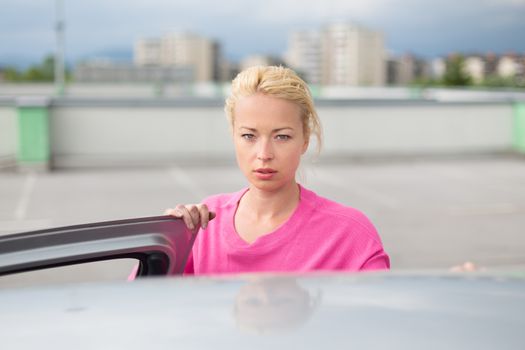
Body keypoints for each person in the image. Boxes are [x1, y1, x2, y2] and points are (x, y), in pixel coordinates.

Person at [165, 66, 390, 275]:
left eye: (282, 136)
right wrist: (164, 244)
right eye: (248, 136)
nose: (264, 153)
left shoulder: (351, 235)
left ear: (304, 140)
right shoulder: (202, 226)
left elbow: (377, 315)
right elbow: (147, 304)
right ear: (233, 136)